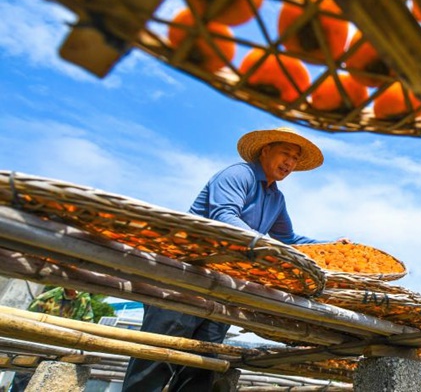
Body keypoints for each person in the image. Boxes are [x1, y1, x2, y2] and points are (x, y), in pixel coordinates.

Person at [122, 127, 347, 392]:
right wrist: (269, 246)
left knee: (203, 364)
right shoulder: (239, 174)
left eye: (295, 158)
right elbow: (224, 216)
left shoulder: (276, 198)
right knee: (158, 356)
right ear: (265, 151)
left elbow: (289, 239)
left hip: (223, 287)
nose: (289, 162)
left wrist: (328, 246)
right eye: (285, 153)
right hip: (184, 279)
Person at [10, 287, 94, 391]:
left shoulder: (84, 299)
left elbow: (88, 324)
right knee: (23, 380)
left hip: (64, 351)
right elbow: (26, 322)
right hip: (36, 348)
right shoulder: (47, 298)